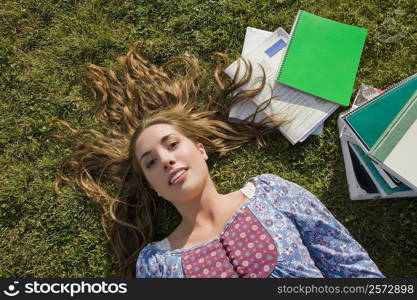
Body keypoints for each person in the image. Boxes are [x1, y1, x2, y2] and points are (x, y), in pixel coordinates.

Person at [54, 41, 384, 278]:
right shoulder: (156, 266)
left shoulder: (273, 194)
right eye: (151, 162)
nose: (166, 161)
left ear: (200, 150)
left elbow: (350, 266)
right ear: (152, 187)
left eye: (172, 145)